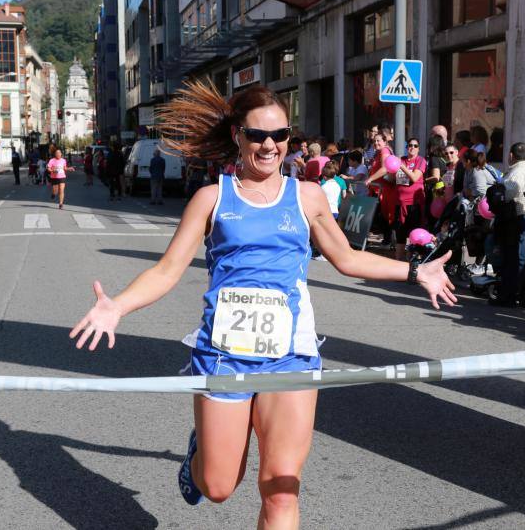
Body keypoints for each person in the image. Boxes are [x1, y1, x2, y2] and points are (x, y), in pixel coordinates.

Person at [70, 81, 456, 528]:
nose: (270, 145)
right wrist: (117, 306)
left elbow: (347, 259)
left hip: (291, 354)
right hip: (225, 354)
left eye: (280, 135)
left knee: (280, 489)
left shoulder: (307, 196)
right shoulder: (212, 198)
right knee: (217, 487)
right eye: (258, 135)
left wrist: (414, 270)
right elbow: (166, 271)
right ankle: (200, 455)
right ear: (238, 135)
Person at [491, 142, 525, 306]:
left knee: (512, 260)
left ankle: (509, 296)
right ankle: (516, 293)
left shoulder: (516, 172)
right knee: (518, 258)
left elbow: (507, 195)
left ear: (511, 155)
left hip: (515, 219)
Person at [392, 138, 426, 261]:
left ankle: (412, 262)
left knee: (414, 234)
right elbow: (392, 178)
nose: (412, 147)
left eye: (415, 146)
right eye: (410, 145)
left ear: (418, 148)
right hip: (399, 203)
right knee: (400, 234)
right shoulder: (401, 160)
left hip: (414, 203)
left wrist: (402, 167)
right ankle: (398, 262)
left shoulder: (420, 160)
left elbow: (414, 178)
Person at [364, 133, 397, 248]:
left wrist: (370, 179)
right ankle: (387, 241)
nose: (376, 143)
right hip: (378, 189)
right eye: (374, 141)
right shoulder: (380, 152)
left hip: (383, 190)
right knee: (380, 216)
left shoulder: (384, 151)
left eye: (378, 141)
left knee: (381, 216)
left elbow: (385, 169)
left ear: (385, 142)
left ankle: (388, 241)